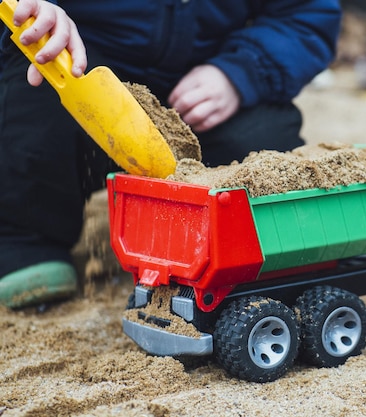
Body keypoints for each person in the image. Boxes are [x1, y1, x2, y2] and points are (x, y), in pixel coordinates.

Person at [0, 0, 342, 308]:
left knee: (264, 135)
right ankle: (26, 237)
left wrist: (241, 72)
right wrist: (36, 11)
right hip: (81, 68)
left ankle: (227, 248)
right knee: (36, 92)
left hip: (197, 89)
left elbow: (305, 14)